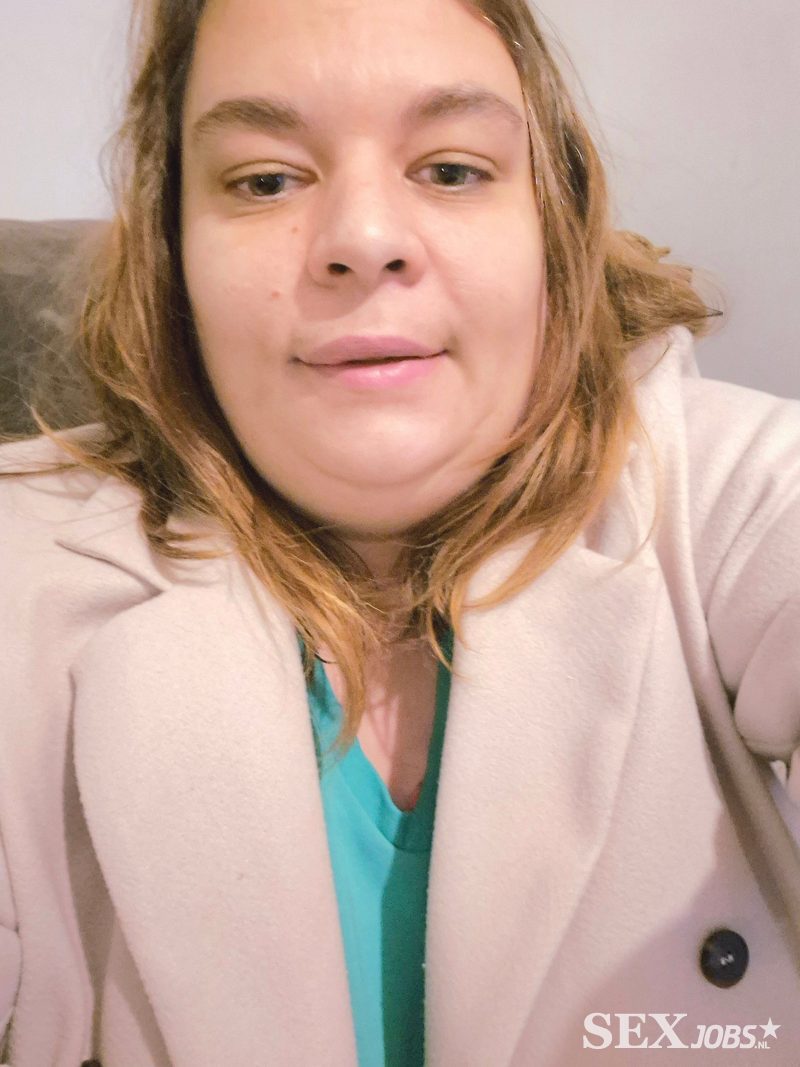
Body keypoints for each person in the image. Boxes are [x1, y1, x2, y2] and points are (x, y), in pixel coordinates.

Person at [1, 0, 799, 1064]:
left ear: (551, 226)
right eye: (266, 181)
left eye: (452, 169)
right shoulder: (20, 559)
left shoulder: (727, 490)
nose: (364, 241)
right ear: (170, 250)